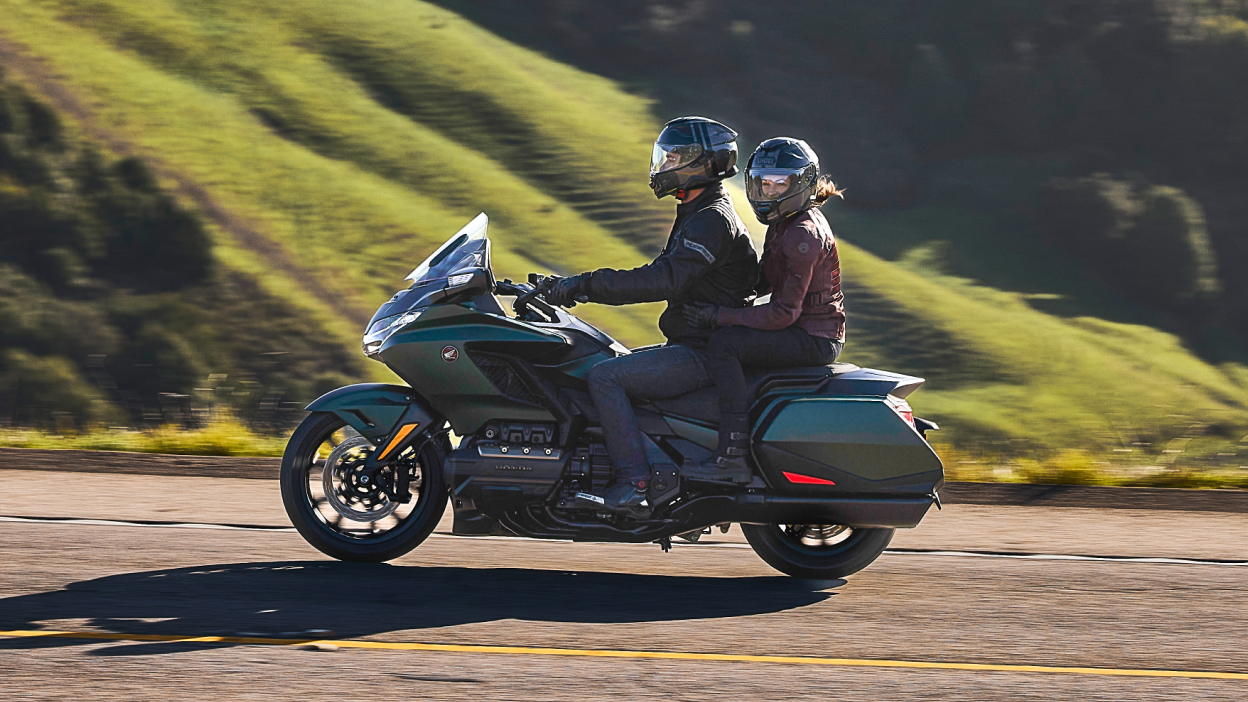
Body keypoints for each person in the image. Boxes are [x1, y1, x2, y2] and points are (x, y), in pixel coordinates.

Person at [544, 116, 758, 517]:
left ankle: (634, 485)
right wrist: (560, 285)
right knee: (602, 359)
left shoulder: (712, 218)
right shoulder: (697, 209)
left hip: (704, 348)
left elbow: (662, 279)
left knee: (605, 376)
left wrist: (583, 285)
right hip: (694, 339)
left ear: (701, 162)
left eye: (674, 156)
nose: (663, 164)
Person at [682, 137, 846, 483]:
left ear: (800, 184)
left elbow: (782, 314)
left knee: (725, 345)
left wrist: (720, 316)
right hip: (804, 328)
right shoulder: (787, 222)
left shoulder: (800, 235)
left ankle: (731, 456)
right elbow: (769, 280)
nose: (769, 192)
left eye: (780, 183)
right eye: (763, 183)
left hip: (812, 337)